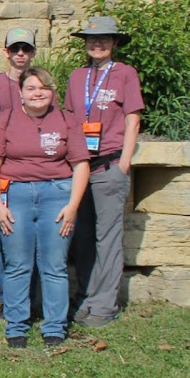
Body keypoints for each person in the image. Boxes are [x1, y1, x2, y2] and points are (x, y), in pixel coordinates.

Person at [0, 67, 91, 348]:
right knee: (17, 264)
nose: (37, 93)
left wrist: (72, 206)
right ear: (20, 92)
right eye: (31, 88)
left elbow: (81, 165)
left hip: (57, 194)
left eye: (43, 87)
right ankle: (16, 326)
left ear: (52, 91)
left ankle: (54, 326)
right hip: (16, 194)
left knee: (54, 265)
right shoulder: (5, 119)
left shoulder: (66, 119)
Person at [64, 17, 143, 327]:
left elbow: (132, 119)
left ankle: (103, 307)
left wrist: (123, 164)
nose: (97, 44)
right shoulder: (76, 76)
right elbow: (70, 118)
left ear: (114, 43)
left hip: (109, 165)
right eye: (92, 39)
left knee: (107, 238)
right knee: (82, 238)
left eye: (105, 39)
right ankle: (84, 297)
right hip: (81, 168)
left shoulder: (125, 74)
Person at [0, 28, 38, 117]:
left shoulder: (43, 85)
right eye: (15, 48)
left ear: (33, 52)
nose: (20, 53)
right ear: (6, 52)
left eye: (26, 48)